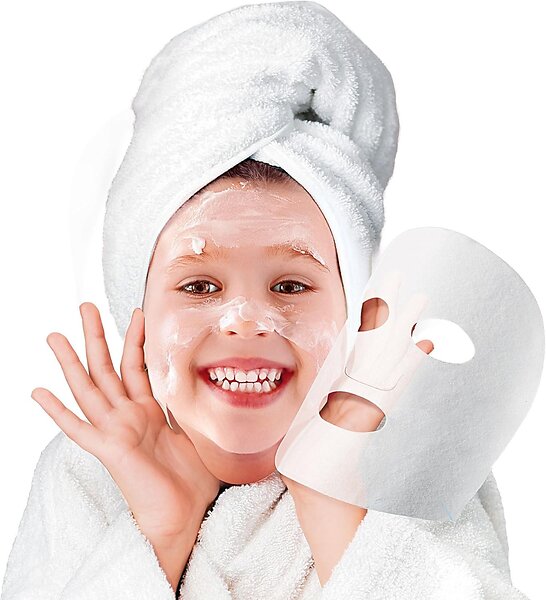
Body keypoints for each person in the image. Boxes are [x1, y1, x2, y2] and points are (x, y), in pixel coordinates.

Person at [1, 2, 530, 599]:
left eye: (290, 286)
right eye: (200, 286)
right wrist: (161, 530)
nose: (246, 320)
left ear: (357, 310)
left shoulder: (415, 456)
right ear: (137, 313)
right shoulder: (92, 470)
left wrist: (333, 503)